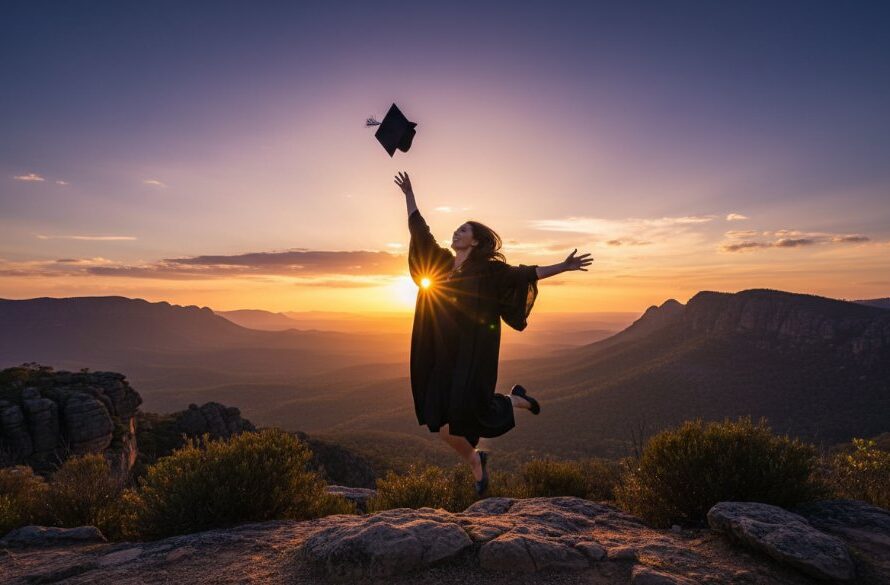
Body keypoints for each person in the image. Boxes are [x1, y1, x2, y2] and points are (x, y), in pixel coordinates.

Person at [394, 171, 593, 495]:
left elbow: (526, 274)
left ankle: (516, 401)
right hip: (443, 351)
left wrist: (563, 265)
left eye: (464, 229)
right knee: (440, 419)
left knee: (471, 408)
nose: (456, 232)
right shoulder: (441, 264)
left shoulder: (489, 270)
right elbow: (420, 231)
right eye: (457, 228)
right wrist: (409, 195)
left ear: (474, 241)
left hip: (472, 352)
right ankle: (476, 461)